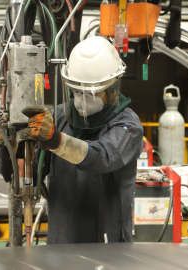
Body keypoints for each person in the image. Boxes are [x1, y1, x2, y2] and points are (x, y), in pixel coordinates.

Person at [23, 36, 144, 244]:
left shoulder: (128, 126)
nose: (81, 99)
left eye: (91, 92)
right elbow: (32, 171)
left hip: (109, 245)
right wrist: (13, 150)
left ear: (112, 88)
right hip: (62, 245)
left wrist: (57, 141)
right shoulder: (58, 118)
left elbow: (103, 156)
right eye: (76, 90)